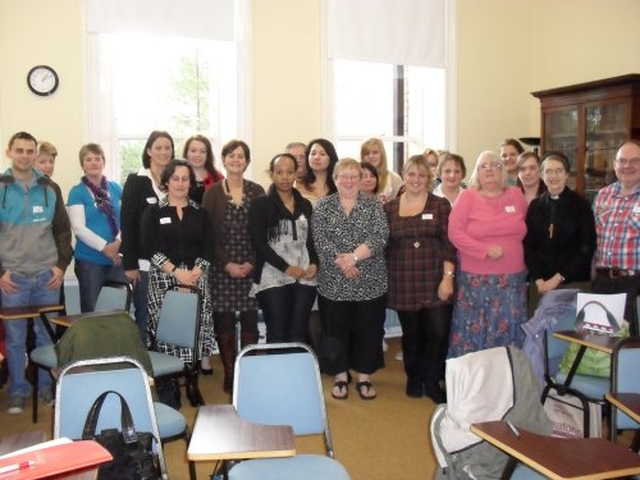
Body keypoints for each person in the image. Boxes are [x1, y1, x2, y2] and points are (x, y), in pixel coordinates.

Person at [0, 131, 72, 414]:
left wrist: (60, 265)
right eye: (20, 151)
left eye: (30, 151)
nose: (25, 156)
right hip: (12, 278)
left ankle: (45, 388)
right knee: (16, 338)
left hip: (46, 275)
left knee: (46, 337)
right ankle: (18, 390)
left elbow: (63, 232)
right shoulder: (2, 187)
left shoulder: (49, 188)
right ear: (9, 152)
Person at [312, 158, 389, 401]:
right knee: (335, 331)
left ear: (361, 179)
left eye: (353, 176)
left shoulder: (373, 205)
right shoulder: (323, 207)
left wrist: (354, 258)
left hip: (370, 281)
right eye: (343, 176)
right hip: (334, 282)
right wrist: (344, 263)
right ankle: (340, 376)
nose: (348, 181)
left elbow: (380, 236)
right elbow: (320, 240)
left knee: (368, 330)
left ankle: (364, 377)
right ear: (335, 179)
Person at [385, 155, 456, 401]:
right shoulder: (390, 208)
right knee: (412, 334)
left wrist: (448, 278)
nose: (416, 179)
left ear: (429, 178)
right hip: (403, 280)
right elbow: (383, 246)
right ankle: (414, 377)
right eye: (411, 174)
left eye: (421, 175)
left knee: (438, 333)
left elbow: (449, 244)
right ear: (404, 176)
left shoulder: (440, 205)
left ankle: (432, 380)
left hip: (435, 278)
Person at [447, 150, 528, 358]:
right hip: (476, 281)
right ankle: (473, 384)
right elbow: (454, 233)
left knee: (508, 327)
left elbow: (525, 228)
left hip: (512, 280)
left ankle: (507, 382)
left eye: (495, 165)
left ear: (503, 171)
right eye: (484, 165)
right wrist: (484, 251)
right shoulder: (467, 197)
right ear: (477, 172)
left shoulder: (517, 196)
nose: (490, 169)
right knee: (475, 330)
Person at [202, 139, 265, 393]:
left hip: (251, 264)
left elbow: (264, 232)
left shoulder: (258, 190)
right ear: (223, 160)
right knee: (224, 321)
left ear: (247, 161)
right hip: (222, 267)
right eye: (231, 155)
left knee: (250, 320)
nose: (236, 160)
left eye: (241, 156)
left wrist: (251, 262)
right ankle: (229, 372)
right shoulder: (213, 193)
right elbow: (209, 235)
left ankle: (245, 370)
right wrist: (227, 263)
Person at [141, 159, 215, 370]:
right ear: (167, 181)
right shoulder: (154, 212)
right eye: (175, 178)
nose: (180, 183)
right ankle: (168, 378)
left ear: (190, 182)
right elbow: (149, 248)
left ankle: (192, 376)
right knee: (168, 328)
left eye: (185, 179)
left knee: (194, 327)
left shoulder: (201, 213)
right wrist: (176, 273)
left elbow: (209, 247)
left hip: (196, 278)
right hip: (164, 279)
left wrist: (194, 273)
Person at [249, 153, 318, 343]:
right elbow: (259, 244)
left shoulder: (305, 204)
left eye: (289, 172)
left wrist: (314, 263)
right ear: (272, 174)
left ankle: (295, 372)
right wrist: (287, 268)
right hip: (272, 274)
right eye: (279, 172)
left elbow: (311, 240)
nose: (285, 176)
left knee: (298, 332)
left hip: (304, 274)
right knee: (278, 331)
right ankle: (276, 372)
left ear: (296, 174)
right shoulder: (260, 204)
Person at [524, 151, 596, 315]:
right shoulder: (535, 206)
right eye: (548, 171)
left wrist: (557, 279)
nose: (553, 176)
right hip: (540, 286)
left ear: (566, 175)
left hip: (572, 283)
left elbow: (587, 249)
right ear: (542, 175)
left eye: (558, 171)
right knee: (540, 337)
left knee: (569, 338)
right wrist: (538, 279)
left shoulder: (581, 205)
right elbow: (528, 246)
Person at [121, 130, 174, 344]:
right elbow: (128, 223)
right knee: (146, 319)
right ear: (149, 151)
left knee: (170, 320)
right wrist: (130, 264)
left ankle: (167, 370)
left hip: (173, 266)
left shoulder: (176, 180)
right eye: (158, 147)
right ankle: (147, 372)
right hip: (144, 266)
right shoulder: (137, 181)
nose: (163, 152)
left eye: (167, 147)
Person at [67, 143, 126, 313]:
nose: (93, 163)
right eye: (88, 159)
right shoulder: (77, 192)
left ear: (103, 162)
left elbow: (126, 220)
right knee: (92, 311)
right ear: (82, 164)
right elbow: (78, 228)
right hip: (90, 262)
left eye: (97, 158)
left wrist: (117, 244)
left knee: (117, 311)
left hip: (117, 260)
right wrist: (105, 247)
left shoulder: (116, 188)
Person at [592, 139, 640, 335]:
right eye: (622, 160)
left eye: (635, 160)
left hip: (635, 284)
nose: (627, 166)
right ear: (614, 165)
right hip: (602, 283)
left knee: (631, 347)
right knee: (598, 344)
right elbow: (592, 239)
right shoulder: (603, 195)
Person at [182, 134, 224, 205]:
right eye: (193, 151)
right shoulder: (177, 177)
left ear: (208, 155)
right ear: (186, 153)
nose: (197, 155)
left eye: (202, 151)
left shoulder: (218, 178)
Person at [296, 138, 338, 205]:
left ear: (331, 158)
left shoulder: (338, 185)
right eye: (313, 153)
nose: (316, 157)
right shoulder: (297, 184)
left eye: (322, 154)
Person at [360, 138, 403, 202]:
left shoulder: (394, 179)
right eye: (367, 153)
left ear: (382, 155)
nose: (371, 156)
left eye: (375, 153)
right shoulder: (355, 178)